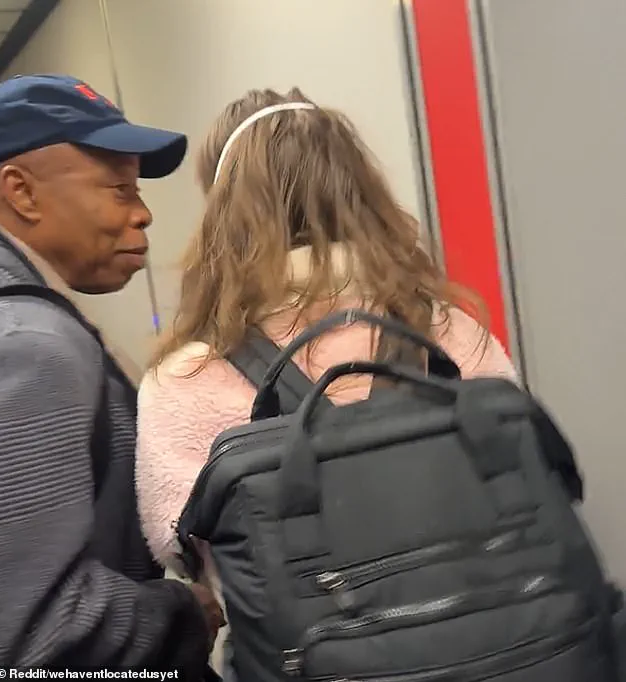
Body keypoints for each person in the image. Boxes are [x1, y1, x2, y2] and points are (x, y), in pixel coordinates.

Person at [134, 87, 518, 675]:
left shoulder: (186, 378)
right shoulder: (447, 331)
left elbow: (180, 546)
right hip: (499, 649)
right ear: (360, 190)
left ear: (220, 208)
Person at [0, 74, 222, 674]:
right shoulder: (26, 345)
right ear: (22, 192)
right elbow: (27, 634)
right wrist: (183, 611)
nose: (143, 214)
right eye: (119, 189)